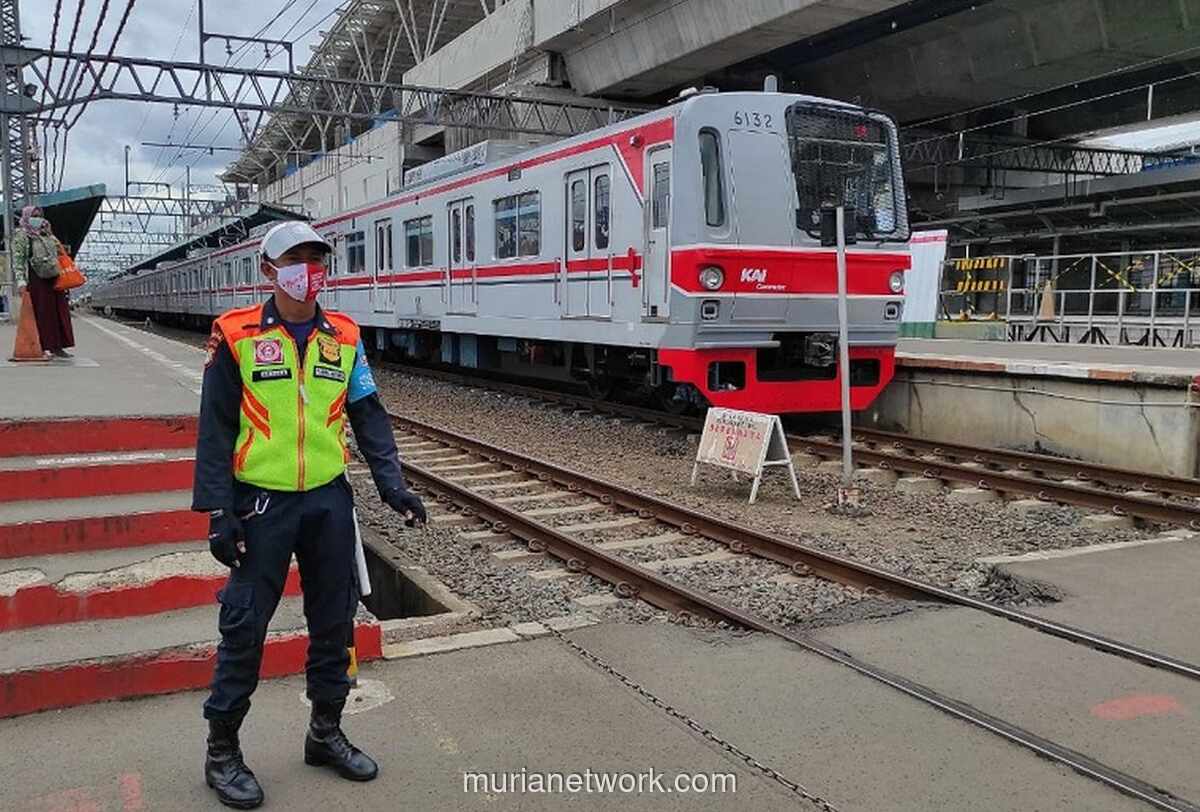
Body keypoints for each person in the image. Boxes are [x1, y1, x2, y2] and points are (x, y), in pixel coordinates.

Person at [192, 221, 427, 809]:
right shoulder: (235, 333)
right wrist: (220, 511)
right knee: (244, 627)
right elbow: (216, 427)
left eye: (316, 258)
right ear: (268, 271)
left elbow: (367, 412)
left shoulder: (344, 335)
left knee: (334, 622)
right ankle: (222, 752)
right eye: (294, 259)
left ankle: (325, 732)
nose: (308, 269)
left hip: (327, 500)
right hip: (260, 504)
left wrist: (392, 485)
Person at [11, 205, 75, 358]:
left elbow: (60, 253)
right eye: (33, 215)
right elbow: (18, 260)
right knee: (43, 313)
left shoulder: (48, 235)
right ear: (26, 217)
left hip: (54, 278)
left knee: (59, 312)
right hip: (37, 280)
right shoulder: (22, 236)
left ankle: (58, 346)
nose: (37, 218)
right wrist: (21, 281)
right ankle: (44, 346)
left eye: (39, 215)